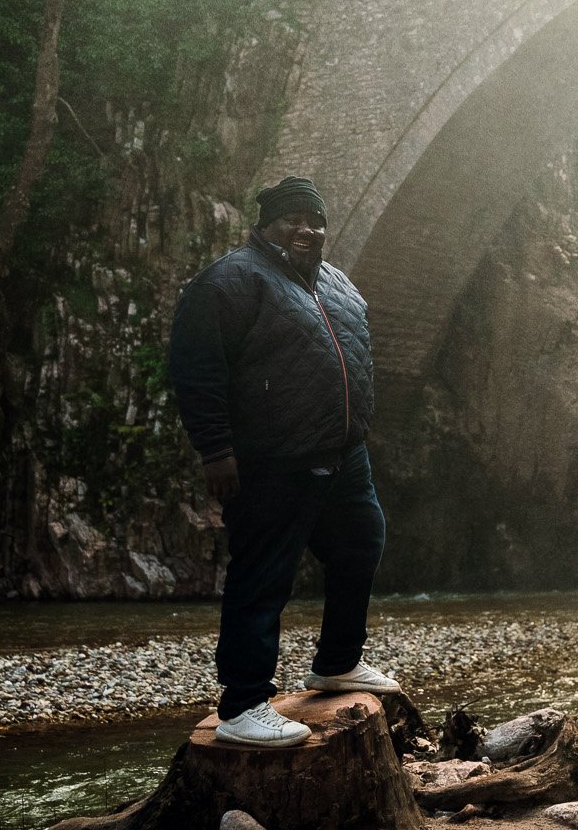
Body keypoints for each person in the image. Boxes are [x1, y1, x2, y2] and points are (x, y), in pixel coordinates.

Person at [169, 175, 400, 747]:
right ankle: (243, 705)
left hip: (342, 454)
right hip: (270, 461)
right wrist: (216, 451)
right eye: (292, 219)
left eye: (315, 220)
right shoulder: (228, 281)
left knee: (361, 543)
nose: (306, 229)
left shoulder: (336, 282)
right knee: (263, 575)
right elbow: (197, 372)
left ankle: (337, 662)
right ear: (266, 225)